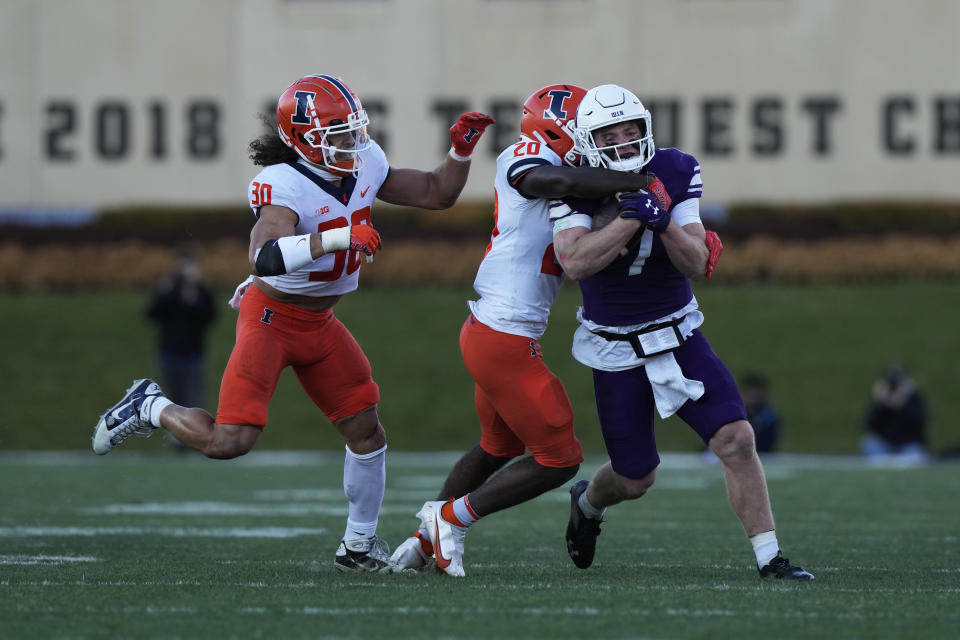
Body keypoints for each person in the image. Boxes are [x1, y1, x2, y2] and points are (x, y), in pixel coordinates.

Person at [91, 74, 495, 573]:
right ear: (303, 140)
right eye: (338, 135)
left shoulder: (364, 160)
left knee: (367, 432)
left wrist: (458, 154)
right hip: (270, 319)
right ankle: (150, 405)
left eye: (354, 130)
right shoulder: (282, 184)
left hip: (321, 323)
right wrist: (338, 237)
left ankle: (358, 545)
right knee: (228, 442)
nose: (353, 143)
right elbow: (263, 256)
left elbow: (436, 194)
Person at [388, 84, 673, 577]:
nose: (592, 142)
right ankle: (449, 517)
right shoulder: (528, 156)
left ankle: (422, 542)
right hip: (503, 332)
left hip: (496, 328)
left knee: (498, 448)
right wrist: (635, 180)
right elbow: (554, 182)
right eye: (583, 131)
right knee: (560, 460)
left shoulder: (577, 171)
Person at [551, 84, 811, 580]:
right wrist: (631, 216)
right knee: (634, 476)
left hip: (678, 331)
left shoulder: (675, 167)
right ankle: (587, 502)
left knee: (737, 439)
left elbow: (693, 260)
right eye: (611, 134)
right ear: (587, 141)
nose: (625, 142)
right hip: (616, 345)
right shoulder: (570, 182)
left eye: (632, 130)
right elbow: (576, 262)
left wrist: (661, 217)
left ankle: (770, 558)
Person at [145, 245, 217, 452]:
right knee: (171, 398)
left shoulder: (200, 290)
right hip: (169, 352)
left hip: (193, 353)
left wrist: (193, 294)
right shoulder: (169, 288)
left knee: (192, 398)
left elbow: (208, 317)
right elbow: (152, 314)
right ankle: (177, 440)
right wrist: (167, 291)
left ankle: (195, 439)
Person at [862, 365, 929, 462]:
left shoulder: (914, 398)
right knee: (869, 444)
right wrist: (881, 404)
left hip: (908, 445)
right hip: (885, 445)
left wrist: (902, 404)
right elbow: (869, 423)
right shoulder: (880, 400)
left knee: (915, 452)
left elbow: (919, 422)